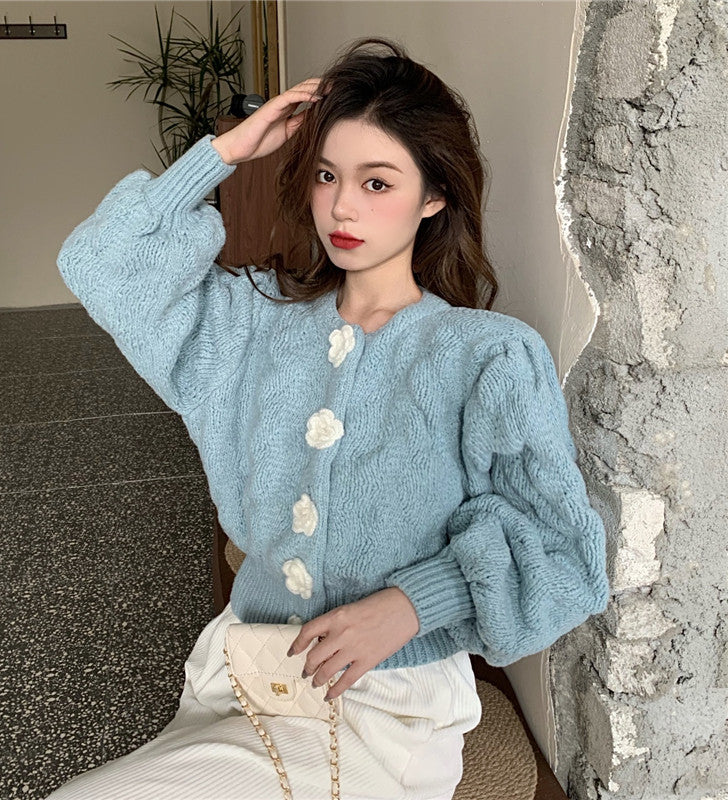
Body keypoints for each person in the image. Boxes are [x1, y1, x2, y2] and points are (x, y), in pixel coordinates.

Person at [46, 36, 609, 800]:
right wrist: (227, 151)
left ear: (434, 196)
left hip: (386, 705)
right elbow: (101, 265)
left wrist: (413, 604)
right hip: (246, 675)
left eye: (377, 182)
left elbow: (564, 552)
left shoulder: (486, 356)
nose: (342, 206)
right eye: (325, 174)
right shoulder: (250, 325)